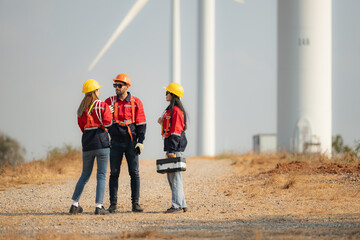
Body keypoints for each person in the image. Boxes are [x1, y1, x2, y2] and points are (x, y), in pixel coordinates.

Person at [70, 79, 113, 215]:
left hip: (87, 144)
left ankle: (74, 204)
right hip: (101, 143)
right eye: (98, 89)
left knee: (85, 175)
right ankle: (98, 206)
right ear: (95, 91)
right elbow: (108, 123)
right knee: (101, 175)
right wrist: (110, 112)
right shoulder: (102, 105)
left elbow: (82, 126)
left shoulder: (81, 109)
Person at [105, 73, 146, 213]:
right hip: (115, 142)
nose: (116, 87)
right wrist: (108, 115)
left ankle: (135, 203)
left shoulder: (136, 102)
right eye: (115, 85)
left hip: (131, 142)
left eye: (119, 85)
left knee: (134, 173)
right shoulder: (109, 102)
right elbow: (103, 123)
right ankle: (113, 204)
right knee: (114, 173)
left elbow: (141, 124)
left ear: (127, 87)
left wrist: (140, 141)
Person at [157, 82, 188, 213]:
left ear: (173, 95)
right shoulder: (170, 110)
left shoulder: (176, 110)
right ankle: (182, 203)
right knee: (174, 178)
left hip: (174, 148)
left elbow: (175, 131)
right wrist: (161, 122)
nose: (165, 95)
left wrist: (171, 151)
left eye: (167, 92)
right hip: (171, 146)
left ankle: (176, 205)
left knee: (175, 178)